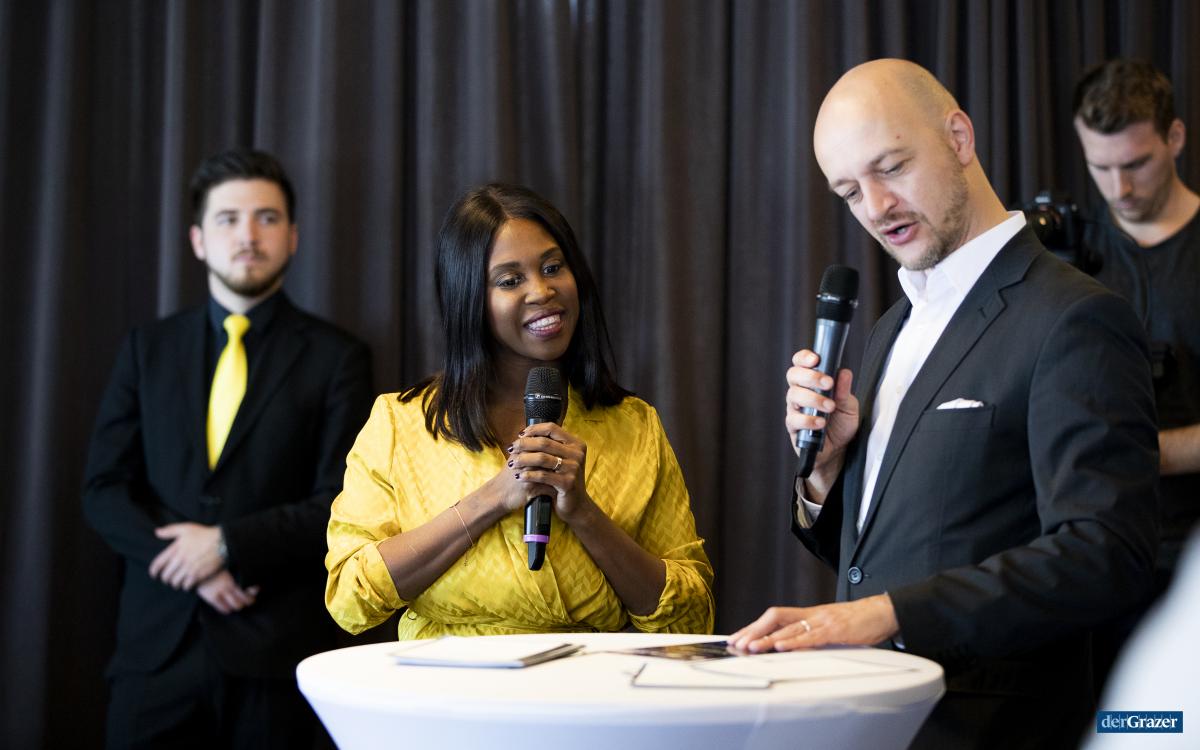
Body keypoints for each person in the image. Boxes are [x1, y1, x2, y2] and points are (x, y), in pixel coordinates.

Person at [729, 59, 1159, 749]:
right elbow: (882, 556)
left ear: (959, 137)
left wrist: (888, 614)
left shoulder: (1074, 317)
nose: (876, 207)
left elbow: (1106, 553)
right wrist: (826, 474)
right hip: (874, 723)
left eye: (891, 167)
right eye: (849, 192)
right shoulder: (889, 329)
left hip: (993, 728)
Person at [324, 183, 714, 639]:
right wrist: (494, 497)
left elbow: (691, 617)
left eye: (553, 267)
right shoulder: (400, 423)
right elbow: (350, 599)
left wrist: (583, 513)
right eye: (510, 280)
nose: (543, 291)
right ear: (469, 298)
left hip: (588, 678)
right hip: (445, 677)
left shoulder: (634, 424)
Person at [83, 148, 374, 749]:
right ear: (198, 240)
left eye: (267, 218)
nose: (247, 235)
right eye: (228, 219)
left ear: (292, 237)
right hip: (155, 652)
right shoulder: (147, 349)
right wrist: (192, 566)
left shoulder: (338, 358)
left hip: (275, 658)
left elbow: (338, 505)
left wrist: (225, 546)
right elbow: (104, 490)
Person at [1073, 58, 1200, 592]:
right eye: (1100, 167)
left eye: (1136, 164)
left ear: (1175, 138)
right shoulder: (1065, 252)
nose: (1119, 187)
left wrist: (1137, 456)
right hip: (1090, 550)